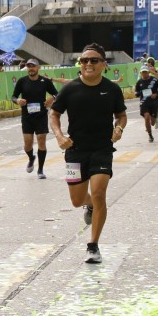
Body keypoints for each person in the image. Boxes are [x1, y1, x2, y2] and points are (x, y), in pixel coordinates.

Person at [50, 43, 127, 264]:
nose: (88, 64)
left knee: (100, 193)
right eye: (84, 60)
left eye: (94, 60)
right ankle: (89, 204)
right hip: (75, 151)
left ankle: (93, 246)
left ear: (103, 64)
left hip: (102, 149)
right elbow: (54, 114)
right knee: (76, 200)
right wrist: (59, 136)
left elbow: (121, 115)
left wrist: (119, 128)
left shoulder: (111, 89)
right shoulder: (70, 89)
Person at [12, 58, 58, 178]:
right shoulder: (22, 81)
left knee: (41, 140)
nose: (31, 68)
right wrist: (18, 100)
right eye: (29, 66)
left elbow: (57, 94)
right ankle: (31, 157)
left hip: (41, 115)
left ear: (38, 67)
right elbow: (13, 96)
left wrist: (52, 98)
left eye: (33, 66)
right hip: (27, 116)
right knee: (28, 144)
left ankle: (40, 170)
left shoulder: (45, 81)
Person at [134, 65, 158, 142]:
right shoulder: (139, 82)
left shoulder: (154, 80)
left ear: (148, 72)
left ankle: (155, 117)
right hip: (144, 102)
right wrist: (139, 93)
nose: (144, 74)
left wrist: (156, 94)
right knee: (146, 117)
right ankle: (150, 135)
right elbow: (136, 92)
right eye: (143, 72)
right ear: (141, 73)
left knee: (152, 123)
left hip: (153, 102)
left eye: (146, 72)